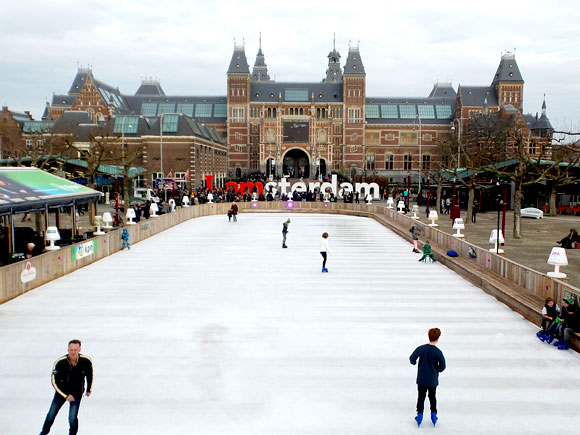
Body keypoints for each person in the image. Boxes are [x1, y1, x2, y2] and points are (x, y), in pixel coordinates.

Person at [39, 339, 93, 435]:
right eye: (71, 349)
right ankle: (43, 433)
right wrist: (65, 395)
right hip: (61, 393)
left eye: (75, 350)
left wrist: (88, 389)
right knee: (51, 414)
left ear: (79, 349)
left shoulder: (86, 361)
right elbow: (54, 381)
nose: (73, 352)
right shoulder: (60, 362)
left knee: (72, 417)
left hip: (76, 393)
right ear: (68, 350)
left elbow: (90, 375)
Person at [409, 328, 446, 427]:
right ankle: (434, 414)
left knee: (421, 396)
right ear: (438, 338)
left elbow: (412, 358)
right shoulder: (438, 352)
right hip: (433, 380)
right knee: (432, 396)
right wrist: (436, 370)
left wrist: (414, 363)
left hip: (422, 379)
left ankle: (419, 414)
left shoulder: (422, 348)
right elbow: (443, 366)